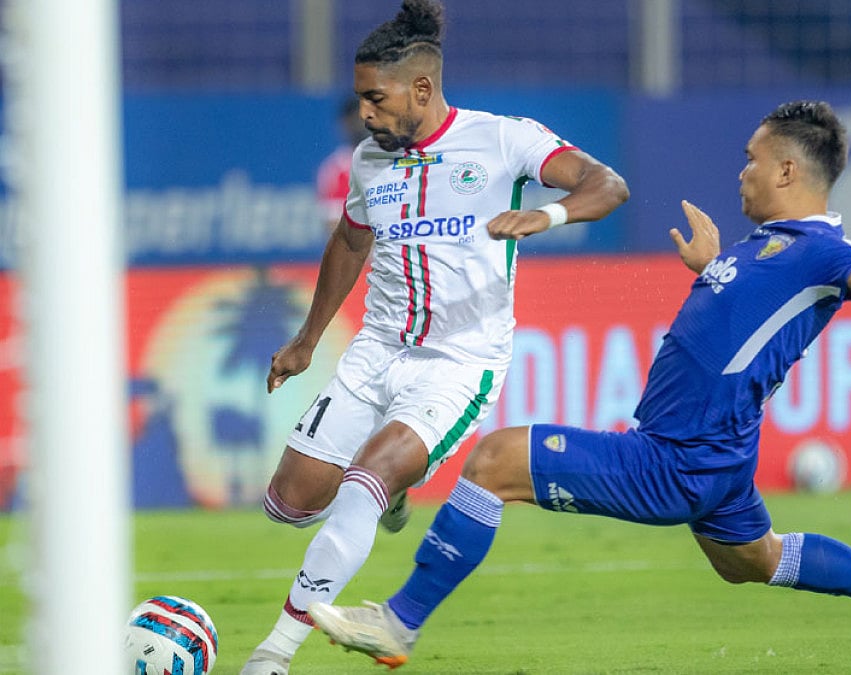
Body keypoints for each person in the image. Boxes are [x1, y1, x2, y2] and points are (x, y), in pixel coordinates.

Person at [308, 100, 851, 671]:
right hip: (718, 462)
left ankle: (398, 621)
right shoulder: (766, 250)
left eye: (752, 159)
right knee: (755, 558)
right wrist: (710, 268)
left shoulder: (826, 250)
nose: (741, 171)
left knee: (495, 460)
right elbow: (738, 325)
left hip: (677, 457)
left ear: (787, 170)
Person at [240, 1, 629, 673]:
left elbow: (608, 184)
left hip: (459, 362)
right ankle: (388, 490)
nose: (364, 113)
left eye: (375, 98)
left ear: (421, 89)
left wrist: (550, 215)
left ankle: (275, 654)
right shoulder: (369, 161)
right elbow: (351, 239)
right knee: (289, 502)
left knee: (368, 473)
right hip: (376, 351)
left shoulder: (504, 140)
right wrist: (307, 340)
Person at [315, 96, 372, 232]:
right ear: (345, 124)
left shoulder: (394, 160)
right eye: (356, 120)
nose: (361, 125)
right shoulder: (337, 170)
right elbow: (333, 223)